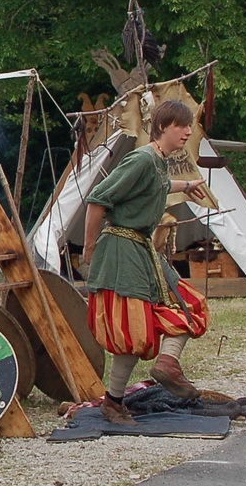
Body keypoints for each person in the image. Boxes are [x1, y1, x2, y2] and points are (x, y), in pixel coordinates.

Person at [79, 100, 212, 425]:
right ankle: (113, 403)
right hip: (122, 251)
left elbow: (157, 186)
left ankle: (167, 364)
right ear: (164, 126)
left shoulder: (158, 163)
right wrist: (89, 248)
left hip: (141, 249)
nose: (188, 132)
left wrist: (185, 185)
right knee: (133, 331)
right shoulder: (141, 159)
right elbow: (98, 198)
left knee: (189, 305)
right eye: (182, 126)